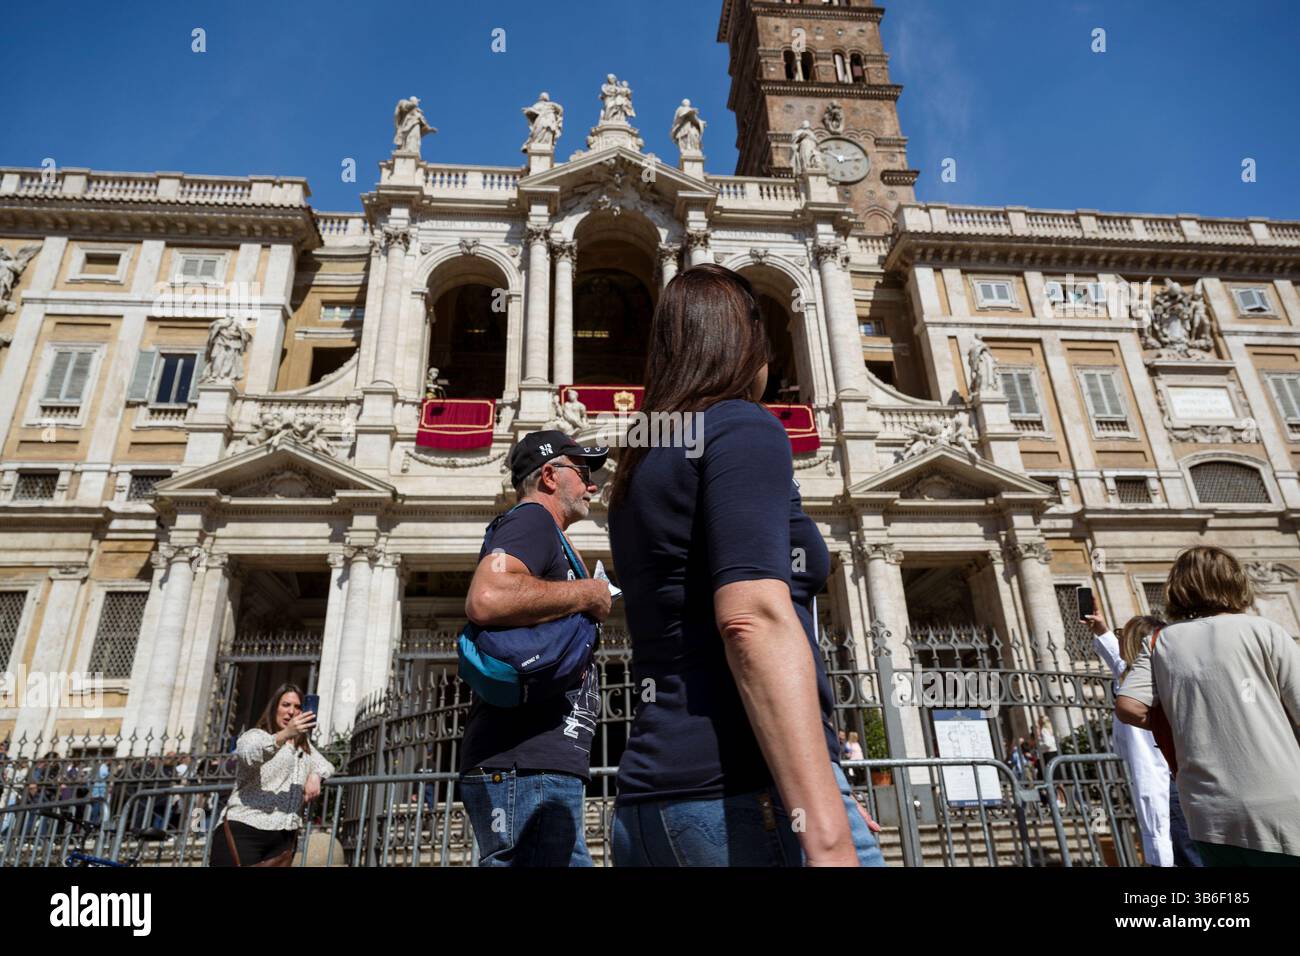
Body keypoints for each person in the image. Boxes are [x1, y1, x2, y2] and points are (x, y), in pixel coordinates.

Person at [607, 264, 883, 867]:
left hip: (649, 807)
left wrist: (829, 779)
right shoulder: (741, 426)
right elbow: (751, 620)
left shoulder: (642, 462)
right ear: (745, 340)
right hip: (746, 798)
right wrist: (825, 827)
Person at [457, 430, 612, 867]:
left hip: (537, 767)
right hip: (525, 766)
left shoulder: (546, 532)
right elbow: (487, 598)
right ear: (549, 475)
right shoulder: (531, 520)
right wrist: (587, 594)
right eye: (583, 473)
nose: (593, 485)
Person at [1117, 546, 1300, 866]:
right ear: (1236, 581)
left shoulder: (1160, 642)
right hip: (1282, 800)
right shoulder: (1264, 630)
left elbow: (1129, 706)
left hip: (1210, 810)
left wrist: (1183, 718)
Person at [1085, 609, 1185, 866]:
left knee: (1183, 853)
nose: (1118, 641)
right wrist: (1101, 630)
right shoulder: (1130, 677)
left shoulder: (1155, 680)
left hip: (1168, 781)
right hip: (1161, 781)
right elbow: (1117, 661)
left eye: (1122, 636)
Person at [208, 683, 334, 867]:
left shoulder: (302, 746)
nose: (291, 712)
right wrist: (284, 734)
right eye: (286, 705)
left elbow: (326, 765)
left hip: (283, 837)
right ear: (274, 707)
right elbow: (250, 754)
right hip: (245, 829)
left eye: (297, 707)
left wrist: (315, 775)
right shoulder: (256, 736)